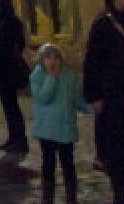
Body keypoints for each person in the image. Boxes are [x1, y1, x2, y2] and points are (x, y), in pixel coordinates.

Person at [83, 0, 124, 204]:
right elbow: (92, 62)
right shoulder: (103, 24)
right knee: (119, 153)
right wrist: (94, 95)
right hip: (114, 97)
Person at [31, 43, 90, 204]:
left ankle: (71, 196)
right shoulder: (37, 76)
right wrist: (51, 77)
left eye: (56, 56)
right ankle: (47, 196)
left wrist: (91, 108)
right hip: (47, 130)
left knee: (68, 164)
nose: (52, 60)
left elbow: (78, 100)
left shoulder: (70, 77)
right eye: (48, 57)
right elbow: (43, 98)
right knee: (48, 163)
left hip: (65, 130)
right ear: (41, 60)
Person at [0, 0, 29, 153]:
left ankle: (20, 139)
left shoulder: (12, 21)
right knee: (7, 105)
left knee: (12, 105)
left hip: (9, 68)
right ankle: (12, 137)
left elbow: (18, 42)